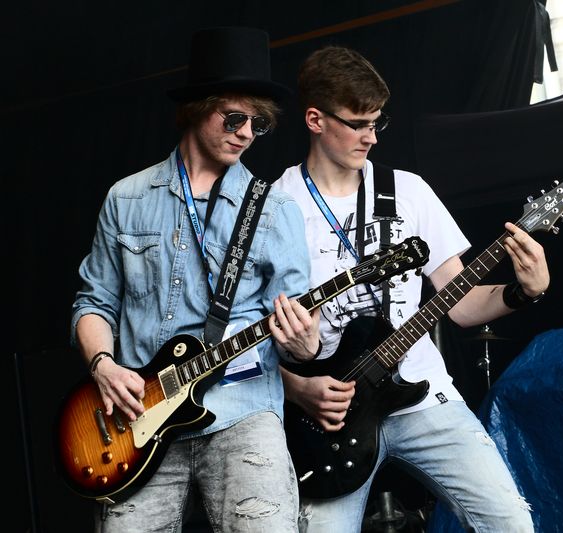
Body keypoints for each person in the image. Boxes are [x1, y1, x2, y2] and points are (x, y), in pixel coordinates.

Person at [271, 45, 548, 532]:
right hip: (327, 418)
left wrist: (522, 292)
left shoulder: (408, 191)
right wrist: (298, 389)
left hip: (423, 397)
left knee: (510, 522)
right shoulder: (276, 206)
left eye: (377, 122)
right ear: (315, 120)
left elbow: (459, 305)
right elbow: (247, 337)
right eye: (358, 124)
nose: (372, 137)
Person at [70, 27, 320, 532]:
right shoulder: (126, 198)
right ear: (197, 109)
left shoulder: (274, 209)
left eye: (257, 124)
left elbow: (299, 332)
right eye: (233, 117)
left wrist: (306, 344)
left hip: (242, 412)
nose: (245, 133)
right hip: (135, 419)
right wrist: (102, 365)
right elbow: (93, 302)